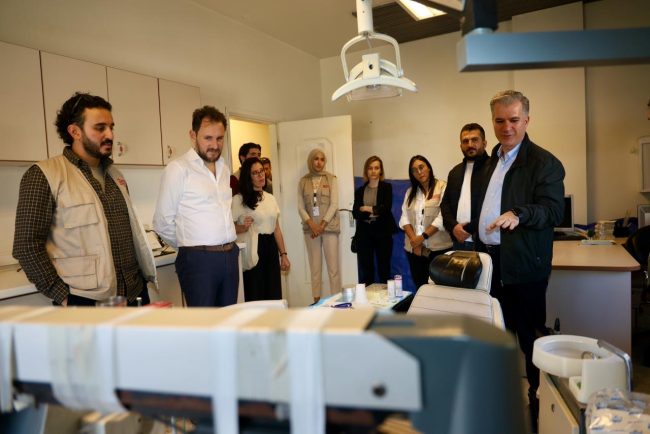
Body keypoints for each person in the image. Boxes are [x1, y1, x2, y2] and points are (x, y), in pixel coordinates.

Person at [12, 92, 156, 306]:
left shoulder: (115, 175)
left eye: (111, 127)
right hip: (86, 300)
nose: (110, 135)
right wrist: (64, 297)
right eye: (100, 128)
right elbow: (26, 246)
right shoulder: (43, 175)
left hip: (135, 293)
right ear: (75, 131)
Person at [475, 90, 565, 432]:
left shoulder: (544, 163)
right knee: (494, 333)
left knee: (529, 337)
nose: (507, 127)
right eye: (499, 120)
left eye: (514, 120)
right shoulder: (489, 162)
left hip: (524, 264)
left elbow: (553, 211)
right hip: (489, 262)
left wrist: (519, 213)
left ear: (527, 120)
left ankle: (538, 399)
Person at [153, 105, 239, 307]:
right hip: (199, 260)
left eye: (219, 138)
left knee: (229, 320)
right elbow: (162, 222)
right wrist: (190, 246)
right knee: (204, 322)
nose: (215, 145)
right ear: (193, 135)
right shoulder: (178, 169)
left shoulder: (224, 169)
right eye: (208, 138)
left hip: (230, 255)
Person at [232, 157, 290, 300]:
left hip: (271, 247)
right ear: (248, 177)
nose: (261, 175)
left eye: (262, 171)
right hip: (253, 249)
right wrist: (242, 227)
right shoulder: (239, 199)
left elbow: (276, 228)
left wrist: (283, 254)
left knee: (273, 293)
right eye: (255, 173)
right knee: (255, 293)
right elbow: (229, 229)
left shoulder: (270, 198)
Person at [399, 155, 453, 289]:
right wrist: (415, 241)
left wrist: (422, 238)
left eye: (421, 167)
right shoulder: (410, 192)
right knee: (421, 287)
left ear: (428, 167)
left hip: (438, 250)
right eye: (414, 170)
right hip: (415, 250)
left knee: (439, 289)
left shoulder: (443, 187)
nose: (419, 172)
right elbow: (404, 218)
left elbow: (442, 217)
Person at [298, 148, 341, 303]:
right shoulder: (303, 181)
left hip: (329, 228)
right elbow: (300, 207)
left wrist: (322, 225)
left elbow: (334, 204)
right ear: (311, 161)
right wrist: (312, 225)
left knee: (333, 269)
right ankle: (316, 302)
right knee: (315, 268)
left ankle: (337, 301)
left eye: (322, 159)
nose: (319, 162)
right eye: (316, 159)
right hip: (311, 231)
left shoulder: (331, 179)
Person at [440, 123, 490, 251]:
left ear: (484, 143)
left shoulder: (494, 169)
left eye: (475, 140)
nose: (470, 144)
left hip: (484, 241)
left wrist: (468, 229)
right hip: (458, 241)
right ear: (460, 146)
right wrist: (454, 227)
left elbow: (494, 207)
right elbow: (445, 204)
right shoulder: (455, 172)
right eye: (465, 141)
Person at [352, 156, 398, 285]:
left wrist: (366, 208)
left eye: (376, 168)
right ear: (366, 171)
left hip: (383, 232)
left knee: (384, 269)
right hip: (364, 233)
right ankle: (368, 297)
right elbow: (356, 213)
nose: (373, 171)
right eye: (370, 168)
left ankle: (386, 297)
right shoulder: (360, 191)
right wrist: (374, 211)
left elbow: (385, 209)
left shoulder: (386, 187)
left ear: (381, 170)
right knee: (367, 270)